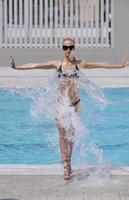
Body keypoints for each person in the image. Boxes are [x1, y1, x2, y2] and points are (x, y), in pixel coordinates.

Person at [10, 38, 129, 180]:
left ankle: (69, 161)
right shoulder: (57, 64)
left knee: (71, 135)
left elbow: (100, 65)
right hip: (60, 104)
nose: (68, 50)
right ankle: (65, 165)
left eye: (71, 47)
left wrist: (120, 66)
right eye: (65, 47)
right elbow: (37, 65)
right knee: (62, 133)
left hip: (74, 104)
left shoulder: (79, 64)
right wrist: (17, 67)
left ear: (74, 48)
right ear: (62, 48)